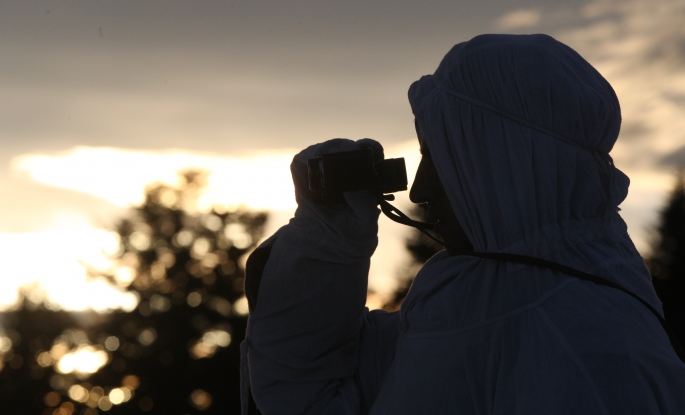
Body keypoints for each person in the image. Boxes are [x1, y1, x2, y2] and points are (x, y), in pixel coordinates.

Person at [240, 34, 685, 414]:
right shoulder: (473, 290)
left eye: (440, 157)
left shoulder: (587, 345)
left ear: (501, 164)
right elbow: (314, 397)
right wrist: (327, 245)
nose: (418, 191)